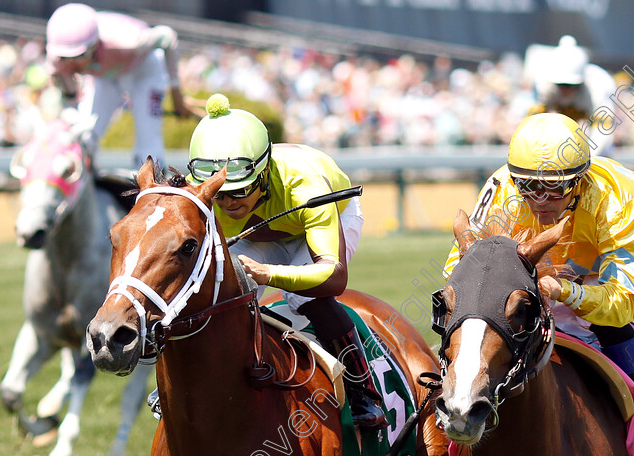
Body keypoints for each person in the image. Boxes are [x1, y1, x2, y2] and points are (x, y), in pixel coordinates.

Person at [443, 112, 634, 456]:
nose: (541, 199)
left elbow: (623, 301)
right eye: (529, 187)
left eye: (555, 187)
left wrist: (566, 291)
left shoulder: (624, 203)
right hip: (530, 267)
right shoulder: (504, 189)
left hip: (597, 269)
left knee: (611, 326)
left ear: (579, 180)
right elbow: (459, 270)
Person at [187, 93, 387, 429]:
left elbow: (334, 276)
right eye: (219, 193)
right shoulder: (202, 188)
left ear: (263, 175)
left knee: (308, 298)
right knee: (218, 287)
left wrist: (267, 274)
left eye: (240, 190)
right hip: (262, 230)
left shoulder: (304, 186)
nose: (228, 202)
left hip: (325, 219)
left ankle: (363, 391)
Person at [45, 3, 203, 169]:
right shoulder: (57, 58)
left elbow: (167, 37)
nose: (71, 65)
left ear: (94, 46)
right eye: (64, 57)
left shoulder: (128, 41)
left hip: (144, 71)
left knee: (148, 145)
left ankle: (152, 183)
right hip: (106, 76)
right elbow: (69, 101)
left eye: (78, 56)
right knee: (85, 136)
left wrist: (176, 94)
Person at [528, 35, 617, 156]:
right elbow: (532, 125)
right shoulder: (543, 85)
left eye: (571, 85)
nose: (566, 90)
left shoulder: (598, 86)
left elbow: (602, 130)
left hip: (591, 136)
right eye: (561, 85)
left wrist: (589, 157)